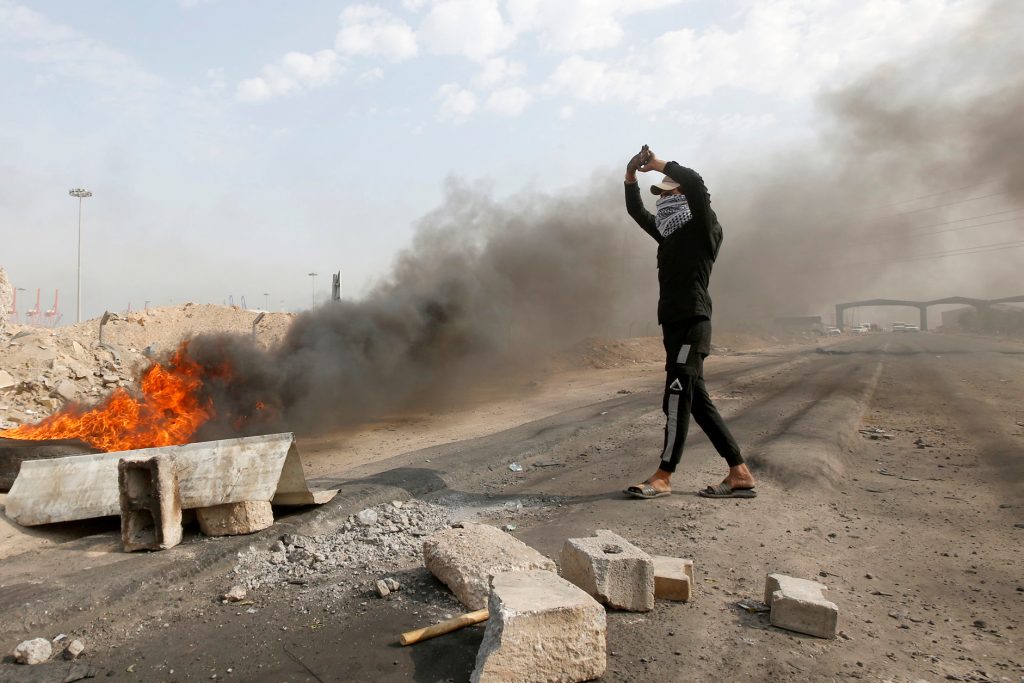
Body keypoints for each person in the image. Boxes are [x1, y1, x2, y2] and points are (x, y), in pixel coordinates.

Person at [622, 145, 757, 499]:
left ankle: (663, 476)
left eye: (667, 192)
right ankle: (739, 472)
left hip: (694, 321)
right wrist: (631, 176)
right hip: (672, 324)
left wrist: (659, 164)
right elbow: (637, 211)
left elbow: (696, 183)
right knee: (697, 401)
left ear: (681, 194)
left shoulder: (702, 227)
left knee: (676, 396)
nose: (661, 201)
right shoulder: (668, 234)